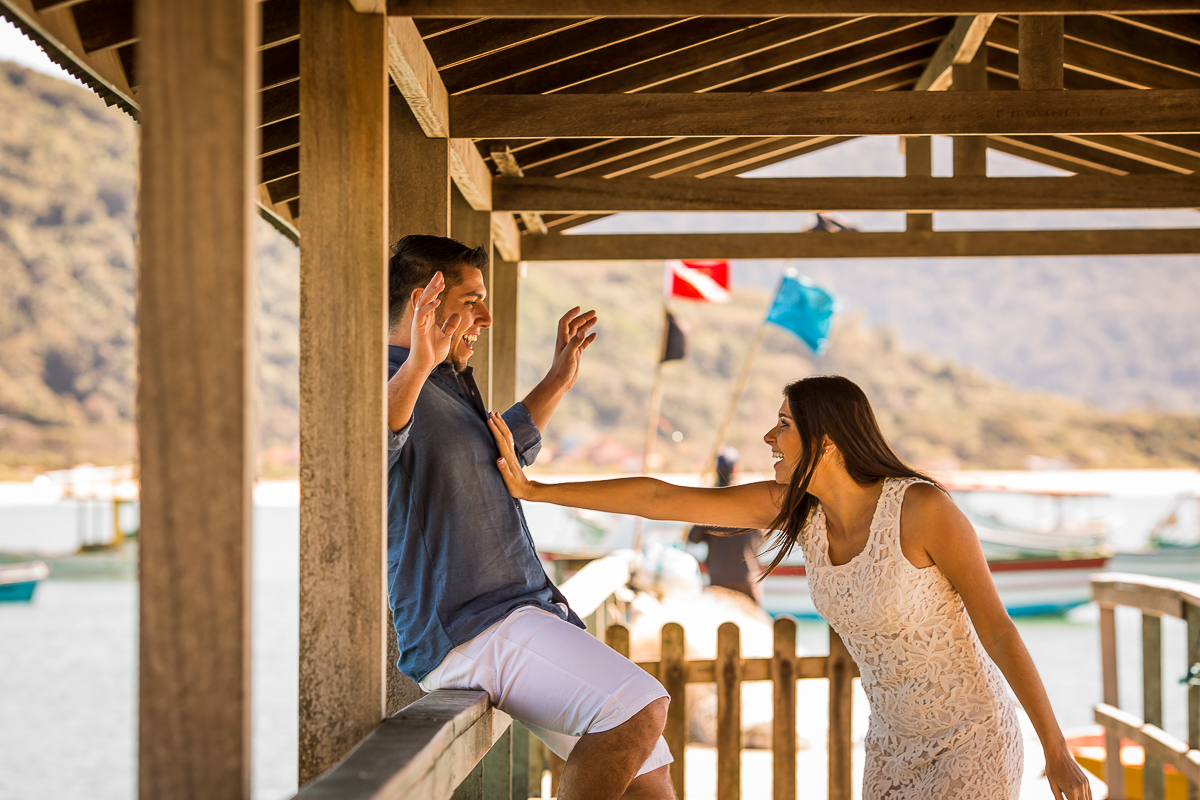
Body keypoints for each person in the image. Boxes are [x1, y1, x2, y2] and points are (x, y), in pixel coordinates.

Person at [488, 375, 1093, 800]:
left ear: (825, 441)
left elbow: (997, 627)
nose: (768, 440)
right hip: (889, 740)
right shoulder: (795, 510)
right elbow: (659, 498)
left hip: (971, 735)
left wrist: (1056, 749)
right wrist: (537, 492)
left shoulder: (923, 509)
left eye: (782, 425)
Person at [386, 235, 674, 800]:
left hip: (516, 612)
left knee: (649, 774)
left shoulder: (447, 383)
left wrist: (558, 379)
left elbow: (500, 453)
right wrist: (420, 361)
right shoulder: (393, 378)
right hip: (469, 628)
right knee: (638, 710)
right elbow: (371, 444)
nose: (486, 318)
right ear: (426, 300)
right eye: (472, 301)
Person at [685, 449, 764, 605]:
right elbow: (760, 537)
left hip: (718, 578)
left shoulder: (710, 503)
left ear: (716, 470)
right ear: (736, 469)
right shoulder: (749, 499)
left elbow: (692, 539)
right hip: (746, 577)